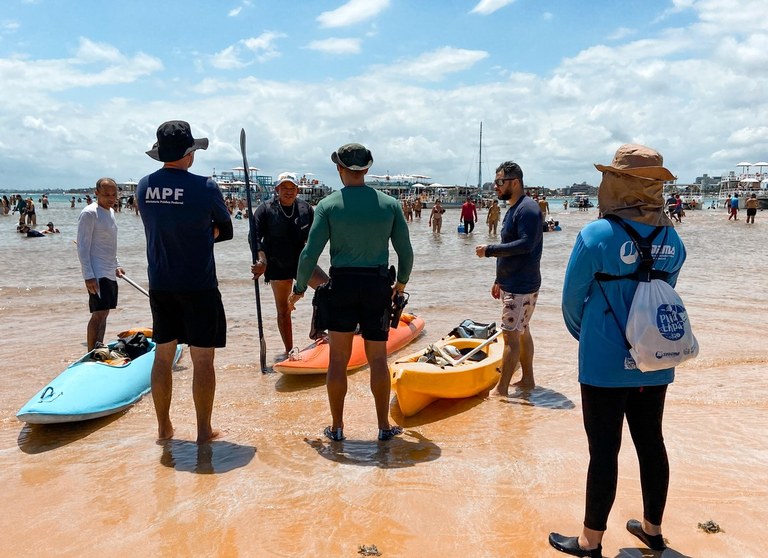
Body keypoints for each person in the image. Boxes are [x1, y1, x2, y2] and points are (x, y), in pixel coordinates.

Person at [550, 144, 687, 557]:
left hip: (604, 361)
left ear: (619, 184)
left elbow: (572, 301)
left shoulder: (595, 235)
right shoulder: (672, 238)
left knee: (604, 450)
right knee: (651, 442)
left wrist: (589, 338)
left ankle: (591, 541)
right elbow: (666, 293)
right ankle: (652, 530)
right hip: (655, 359)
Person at [288, 142, 413, 442]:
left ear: (340, 169)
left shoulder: (328, 206)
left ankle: (337, 427)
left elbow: (308, 255)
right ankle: (384, 426)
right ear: (367, 169)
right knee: (379, 360)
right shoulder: (390, 205)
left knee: (338, 361)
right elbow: (405, 254)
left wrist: (299, 289)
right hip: (376, 287)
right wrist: (400, 286)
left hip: (341, 286)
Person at [136, 120, 233, 445]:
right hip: (198, 284)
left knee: (162, 357)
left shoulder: (143, 186)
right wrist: (203, 234)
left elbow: (160, 224)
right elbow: (226, 229)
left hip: (161, 283)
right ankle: (203, 431)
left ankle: (164, 428)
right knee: (203, 360)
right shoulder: (205, 186)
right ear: (189, 152)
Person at [475, 161, 542, 394]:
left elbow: (525, 245)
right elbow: (511, 246)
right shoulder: (515, 208)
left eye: (500, 182)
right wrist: (498, 279)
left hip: (521, 285)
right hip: (514, 282)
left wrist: (490, 250)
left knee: (511, 337)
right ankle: (528, 380)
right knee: (522, 332)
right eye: (495, 182)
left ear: (515, 182)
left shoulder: (528, 209)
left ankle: (500, 390)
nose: (495, 186)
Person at [250, 171, 328, 356]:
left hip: (301, 262)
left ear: (297, 190)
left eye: (292, 188)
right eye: (284, 188)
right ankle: (289, 350)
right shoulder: (265, 209)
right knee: (284, 309)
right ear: (277, 189)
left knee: (327, 289)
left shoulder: (305, 209)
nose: (288, 191)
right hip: (276, 264)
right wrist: (262, 260)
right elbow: (253, 238)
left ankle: (316, 330)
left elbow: (316, 237)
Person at [77, 178, 125, 351]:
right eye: (106, 195)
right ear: (96, 193)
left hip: (109, 271)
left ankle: (99, 347)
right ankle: (91, 353)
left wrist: (117, 265)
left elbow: (108, 245)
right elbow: (83, 247)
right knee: (98, 314)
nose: (111, 198)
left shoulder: (110, 212)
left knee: (105, 313)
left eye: (114, 194)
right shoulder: (90, 213)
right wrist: (88, 275)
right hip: (97, 273)